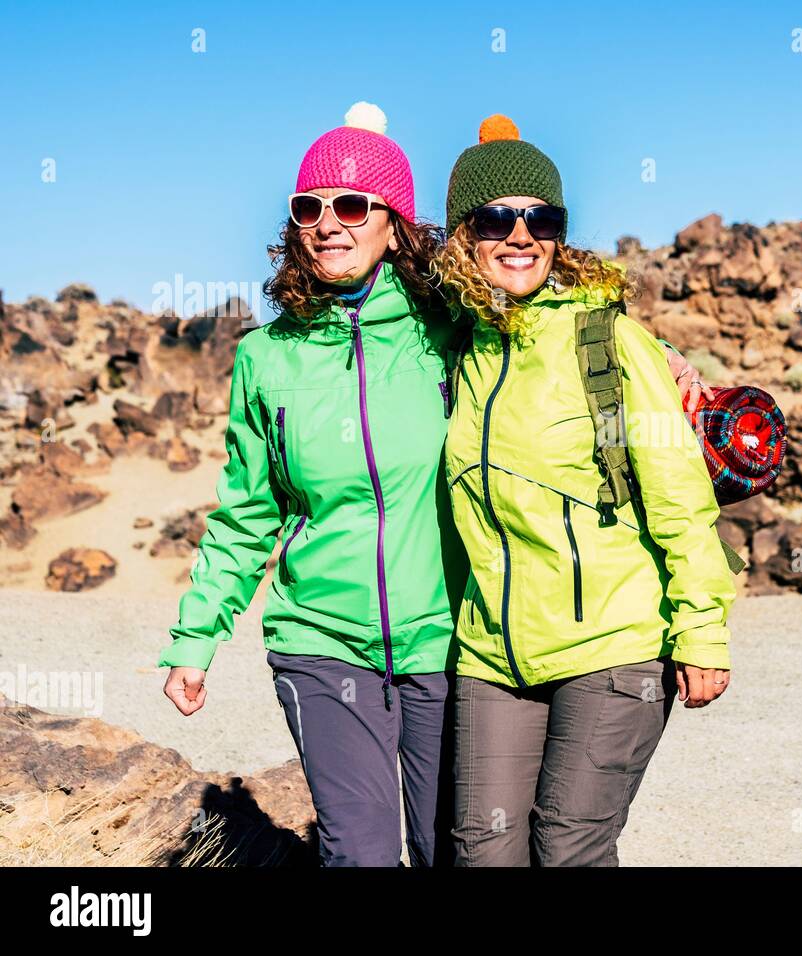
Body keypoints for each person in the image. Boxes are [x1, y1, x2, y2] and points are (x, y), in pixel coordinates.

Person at [159, 104, 712, 867]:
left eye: (353, 205)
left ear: (394, 225)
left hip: (444, 640)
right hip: (320, 640)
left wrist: (668, 358)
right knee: (361, 855)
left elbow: (547, 330)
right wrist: (197, 636)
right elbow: (247, 511)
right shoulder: (266, 357)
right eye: (309, 207)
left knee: (452, 849)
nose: (329, 223)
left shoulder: (443, 326)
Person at [435, 115, 736, 867]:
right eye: (496, 218)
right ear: (462, 234)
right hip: (490, 652)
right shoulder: (449, 345)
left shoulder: (609, 342)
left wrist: (703, 629)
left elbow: (679, 498)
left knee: (568, 846)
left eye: (542, 218)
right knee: (482, 849)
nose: (520, 235)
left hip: (615, 641)